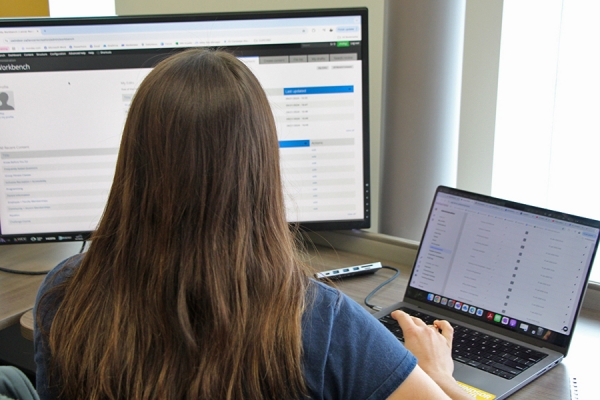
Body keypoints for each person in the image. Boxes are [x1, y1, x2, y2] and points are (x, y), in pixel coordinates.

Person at [34, 49, 470, 399]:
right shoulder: (318, 319)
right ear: (260, 169)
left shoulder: (66, 295)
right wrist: (439, 378)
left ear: (134, 163)